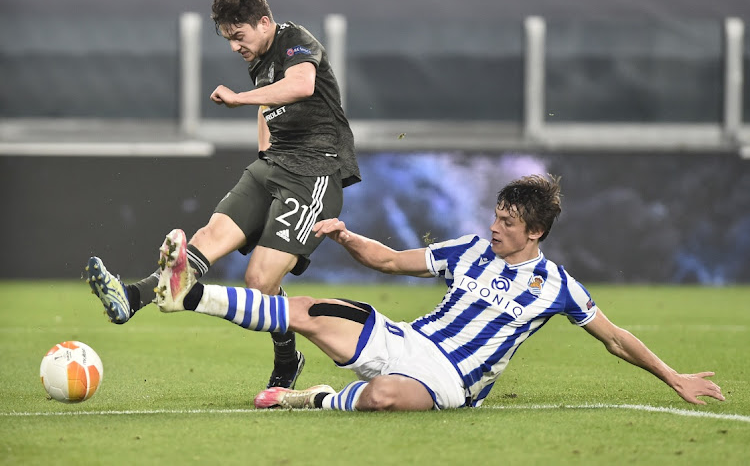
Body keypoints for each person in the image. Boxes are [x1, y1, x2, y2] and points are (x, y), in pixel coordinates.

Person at [151, 174, 724, 411]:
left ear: (537, 232)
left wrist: (673, 377)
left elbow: (616, 339)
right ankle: (189, 294)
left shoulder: (556, 286)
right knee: (300, 310)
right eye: (496, 215)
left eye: (508, 222)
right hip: (406, 339)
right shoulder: (469, 249)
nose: (496, 227)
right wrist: (348, 236)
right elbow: (393, 261)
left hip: (447, 380)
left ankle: (315, 399)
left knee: (382, 398)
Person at [85, 0, 361, 390]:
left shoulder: (295, 40)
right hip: (274, 165)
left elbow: (301, 85)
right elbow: (270, 104)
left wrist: (239, 98)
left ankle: (287, 357)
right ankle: (133, 298)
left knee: (260, 282)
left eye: (239, 36)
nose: (234, 46)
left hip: (314, 171)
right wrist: (264, 150)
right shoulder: (259, 56)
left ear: (263, 22)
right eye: (228, 38)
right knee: (206, 238)